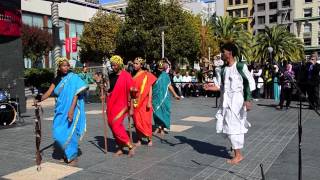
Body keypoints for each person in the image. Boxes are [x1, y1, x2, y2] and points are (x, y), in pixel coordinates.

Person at [204, 43, 255, 165]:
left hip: (237, 102)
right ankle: (236, 152)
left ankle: (238, 155)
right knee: (229, 126)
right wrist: (210, 87)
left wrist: (248, 100)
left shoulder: (240, 66)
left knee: (234, 126)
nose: (222, 54)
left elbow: (249, 83)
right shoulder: (223, 70)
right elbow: (220, 86)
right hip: (226, 102)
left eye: (224, 52)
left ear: (230, 53)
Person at [39, 57, 88, 165]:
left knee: (71, 131)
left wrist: (71, 110)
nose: (65, 68)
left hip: (71, 108)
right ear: (59, 67)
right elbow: (49, 92)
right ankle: (67, 152)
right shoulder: (56, 79)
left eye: (67, 65)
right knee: (58, 134)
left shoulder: (73, 77)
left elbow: (76, 94)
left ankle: (72, 156)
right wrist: (39, 100)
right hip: (60, 109)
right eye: (63, 66)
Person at [106, 55, 135, 157]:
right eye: (112, 65)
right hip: (111, 103)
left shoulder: (126, 76)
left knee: (116, 125)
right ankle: (120, 147)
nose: (113, 67)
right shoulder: (111, 75)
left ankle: (130, 145)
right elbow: (110, 90)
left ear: (119, 64)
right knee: (111, 124)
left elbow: (133, 93)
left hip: (122, 105)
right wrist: (105, 93)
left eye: (114, 65)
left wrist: (132, 108)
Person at [131, 57, 157, 147]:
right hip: (135, 101)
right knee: (137, 121)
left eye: (137, 64)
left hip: (145, 101)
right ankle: (139, 139)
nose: (135, 65)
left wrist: (149, 101)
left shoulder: (146, 74)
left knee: (146, 121)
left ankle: (149, 138)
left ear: (141, 65)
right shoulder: (133, 75)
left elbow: (149, 88)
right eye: (134, 63)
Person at [152, 59, 180, 139]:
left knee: (164, 111)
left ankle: (162, 128)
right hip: (155, 97)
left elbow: (169, 85)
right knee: (156, 112)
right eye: (159, 68)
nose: (160, 70)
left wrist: (175, 95)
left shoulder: (165, 75)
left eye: (161, 68)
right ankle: (158, 126)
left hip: (164, 97)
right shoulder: (153, 75)